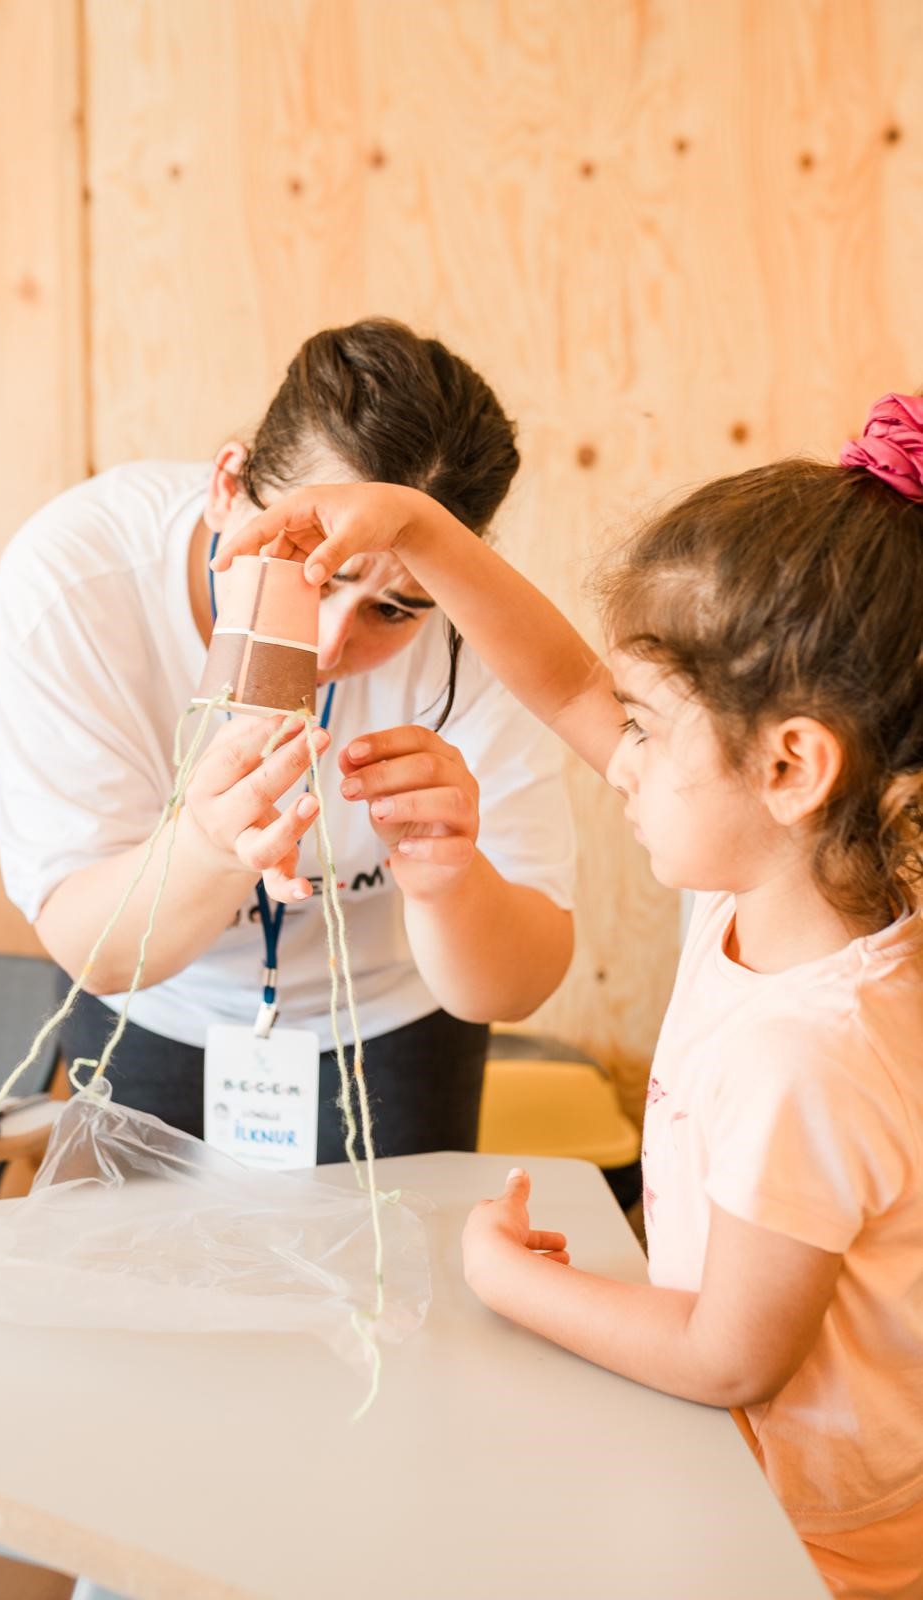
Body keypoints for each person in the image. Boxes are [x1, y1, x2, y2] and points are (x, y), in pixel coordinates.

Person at [215, 393, 923, 1598]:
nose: (615, 754)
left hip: (809, 1551)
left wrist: (515, 1280)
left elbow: (725, 1357)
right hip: (757, 1495)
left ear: (792, 765)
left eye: (642, 729)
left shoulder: (806, 1051)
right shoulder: (778, 899)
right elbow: (560, 681)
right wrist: (422, 534)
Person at [0, 319, 576, 1161]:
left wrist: (453, 883)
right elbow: (96, 950)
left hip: (390, 1020)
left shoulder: (481, 628)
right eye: (312, 576)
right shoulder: (76, 581)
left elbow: (519, 983)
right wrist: (204, 847)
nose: (333, 644)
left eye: (396, 610)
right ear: (228, 484)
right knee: (139, 1284)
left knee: (389, 1288)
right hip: (155, 1008)